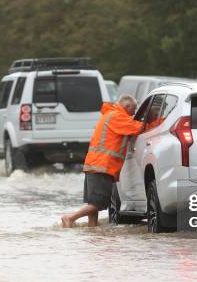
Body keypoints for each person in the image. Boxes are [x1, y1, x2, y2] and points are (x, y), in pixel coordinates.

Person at [61, 94, 144, 228]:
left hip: (94, 165)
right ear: (127, 106)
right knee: (99, 204)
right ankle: (70, 217)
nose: (134, 113)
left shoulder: (110, 114)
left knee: (93, 203)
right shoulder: (117, 116)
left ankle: (92, 229)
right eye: (133, 109)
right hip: (103, 166)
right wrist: (160, 121)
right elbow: (138, 127)